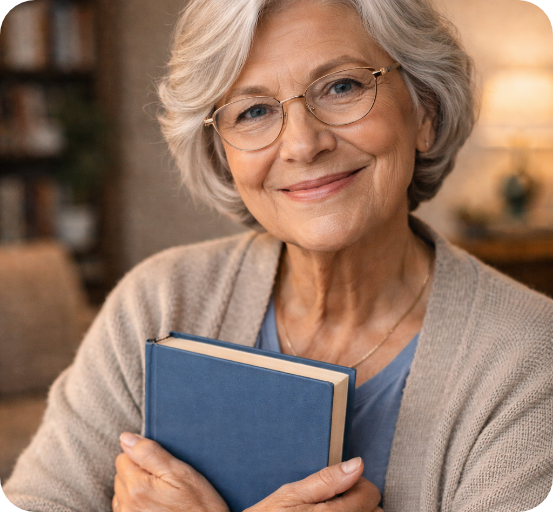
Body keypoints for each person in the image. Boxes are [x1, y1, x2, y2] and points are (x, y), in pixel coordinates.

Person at [3, 0, 552, 510]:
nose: (302, 144)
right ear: (222, 156)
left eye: (341, 86)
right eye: (253, 111)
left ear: (425, 113)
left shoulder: (529, 356)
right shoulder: (159, 303)